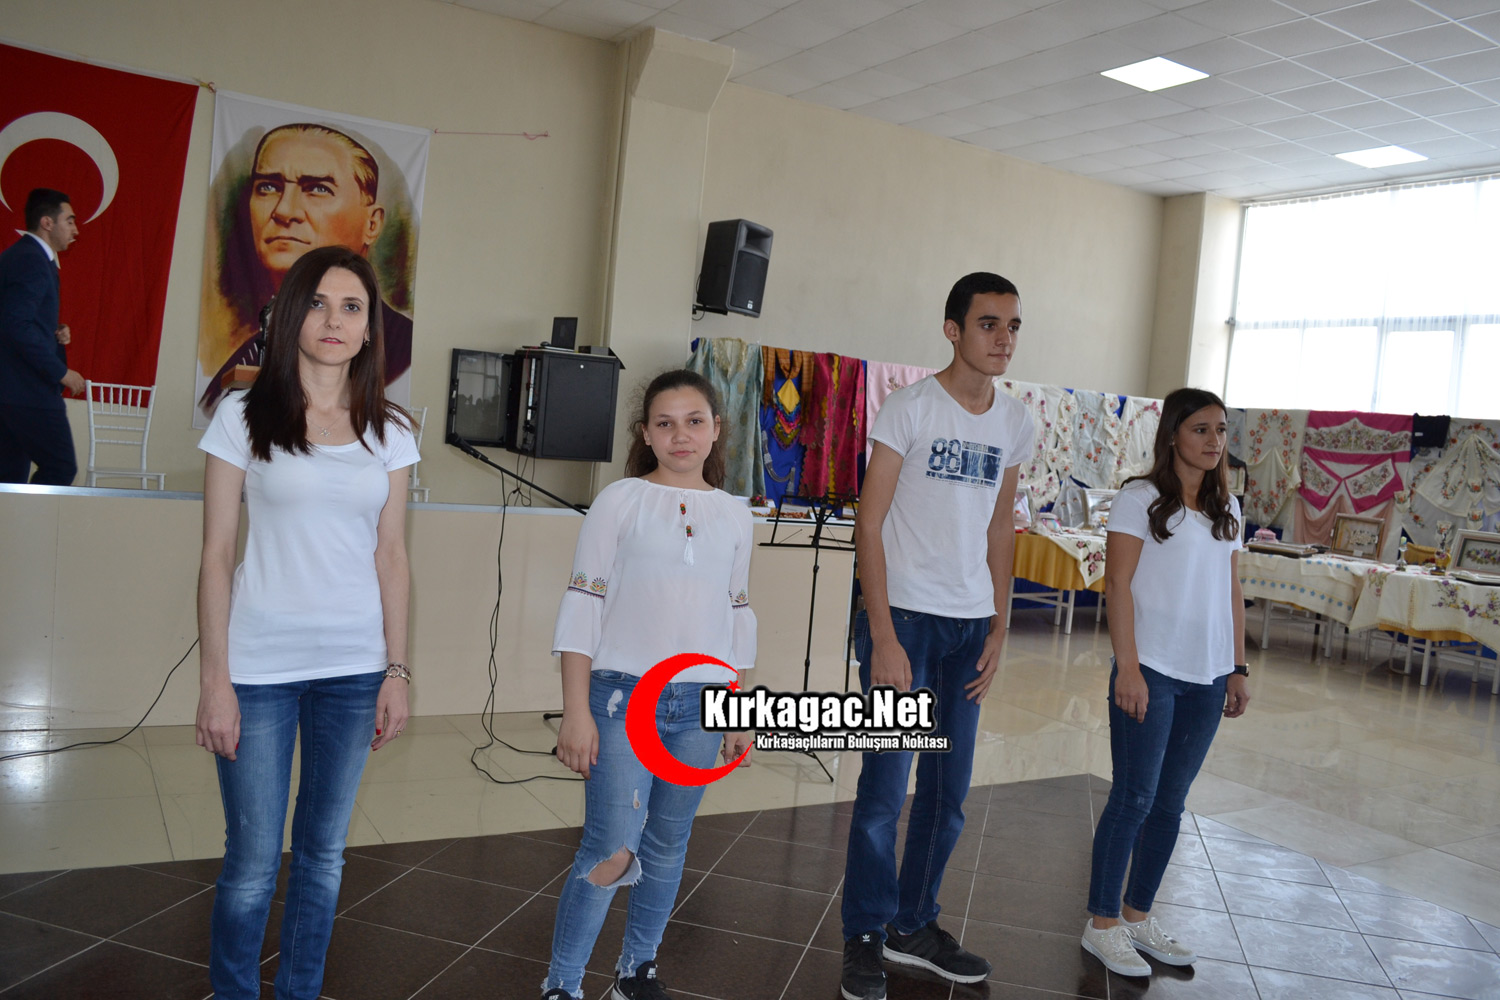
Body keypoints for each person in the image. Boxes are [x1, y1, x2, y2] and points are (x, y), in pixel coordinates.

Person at [195, 244, 418, 1000]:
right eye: (318, 303)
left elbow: (392, 556)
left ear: (368, 328)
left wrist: (396, 670)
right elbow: (216, 555)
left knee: (322, 858)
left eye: (351, 307)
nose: (333, 320)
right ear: (291, 314)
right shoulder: (241, 415)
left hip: (354, 671)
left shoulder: (391, 431)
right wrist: (215, 681)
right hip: (258, 669)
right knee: (253, 864)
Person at [841, 272, 1034, 1000]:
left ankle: (913, 923)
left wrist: (1000, 624)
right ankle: (865, 931)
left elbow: (1000, 527)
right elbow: (868, 524)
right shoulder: (910, 408)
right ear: (953, 329)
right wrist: (883, 635)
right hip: (906, 623)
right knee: (885, 791)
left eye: (1013, 326)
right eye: (988, 324)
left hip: (969, 627)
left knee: (947, 794)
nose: (1003, 339)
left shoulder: (1015, 422)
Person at [544, 369, 757, 1000]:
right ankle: (562, 985)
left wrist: (742, 710)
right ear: (645, 433)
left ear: (716, 430)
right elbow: (582, 604)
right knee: (611, 849)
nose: (680, 435)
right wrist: (575, 711)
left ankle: (636, 972)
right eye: (665, 423)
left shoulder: (736, 514)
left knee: (666, 846)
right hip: (621, 698)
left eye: (695, 421)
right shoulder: (620, 500)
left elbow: (737, 614)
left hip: (704, 705)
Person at [1080, 387, 1251, 978]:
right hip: (1151, 668)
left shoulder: (1229, 509)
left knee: (1170, 804)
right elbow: (1117, 585)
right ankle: (1102, 924)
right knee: (1134, 798)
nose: (1214, 441)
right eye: (1200, 429)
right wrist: (1128, 667)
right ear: (1173, 434)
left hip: (1207, 676)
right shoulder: (1141, 499)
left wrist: (1237, 666)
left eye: (1221, 430)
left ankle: (1137, 915)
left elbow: (1232, 590)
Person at [199, 122, 414, 414]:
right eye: (268, 187)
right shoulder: (250, 357)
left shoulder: (400, 348)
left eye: (318, 189)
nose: (284, 211)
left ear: (372, 223)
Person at [0, 188, 84, 485]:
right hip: (27, 390)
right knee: (60, 467)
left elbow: (15, 318)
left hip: (10, 389)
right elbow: (16, 325)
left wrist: (52, 331)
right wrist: (61, 372)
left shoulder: (21, 256)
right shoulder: (32, 260)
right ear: (47, 223)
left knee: (9, 478)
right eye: (70, 221)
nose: (75, 229)